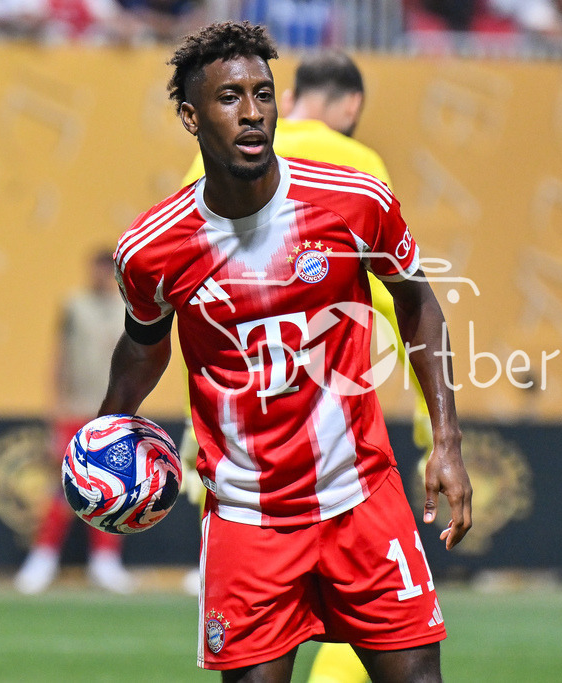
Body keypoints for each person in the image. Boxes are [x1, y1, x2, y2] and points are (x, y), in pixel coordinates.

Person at [100, 21, 471, 681]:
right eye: (229, 97)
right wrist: (109, 426)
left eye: (263, 94)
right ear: (190, 116)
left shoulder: (354, 201)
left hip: (360, 498)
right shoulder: (152, 249)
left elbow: (418, 302)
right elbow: (143, 343)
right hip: (248, 520)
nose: (252, 112)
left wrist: (446, 438)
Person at [181, 50, 433, 683]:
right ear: (351, 105)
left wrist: (191, 427)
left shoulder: (209, 156)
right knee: (385, 636)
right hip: (344, 448)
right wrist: (435, 430)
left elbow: (194, 289)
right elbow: (399, 300)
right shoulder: (360, 168)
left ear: (286, 99)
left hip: (243, 456)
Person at [15, 249, 135, 595]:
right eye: (97, 268)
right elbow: (59, 357)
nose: (101, 275)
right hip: (75, 409)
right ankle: (43, 557)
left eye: (107, 269)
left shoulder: (128, 308)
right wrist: (54, 407)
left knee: (112, 487)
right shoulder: (74, 306)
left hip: (112, 412)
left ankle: (105, 561)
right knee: (64, 486)